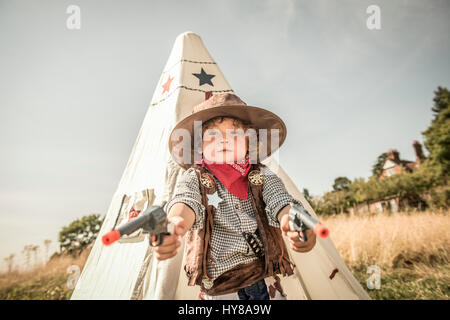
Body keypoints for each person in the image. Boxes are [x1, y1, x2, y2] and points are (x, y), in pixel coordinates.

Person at [156, 93, 316, 300]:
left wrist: (293, 221)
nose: (224, 140)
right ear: (200, 147)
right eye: (212, 136)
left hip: (263, 278)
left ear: (248, 143)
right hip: (221, 287)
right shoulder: (195, 177)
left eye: (234, 134)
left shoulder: (261, 174)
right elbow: (186, 201)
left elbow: (280, 201)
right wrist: (175, 223)